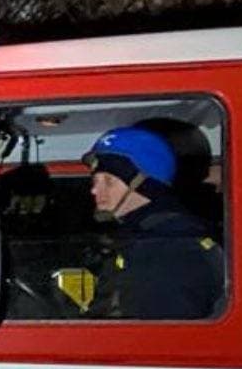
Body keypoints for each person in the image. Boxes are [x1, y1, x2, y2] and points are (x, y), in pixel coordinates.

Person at [84, 126, 225, 320]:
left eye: (108, 181)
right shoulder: (142, 238)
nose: (94, 191)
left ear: (143, 184)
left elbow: (157, 339)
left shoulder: (170, 247)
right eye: (95, 181)